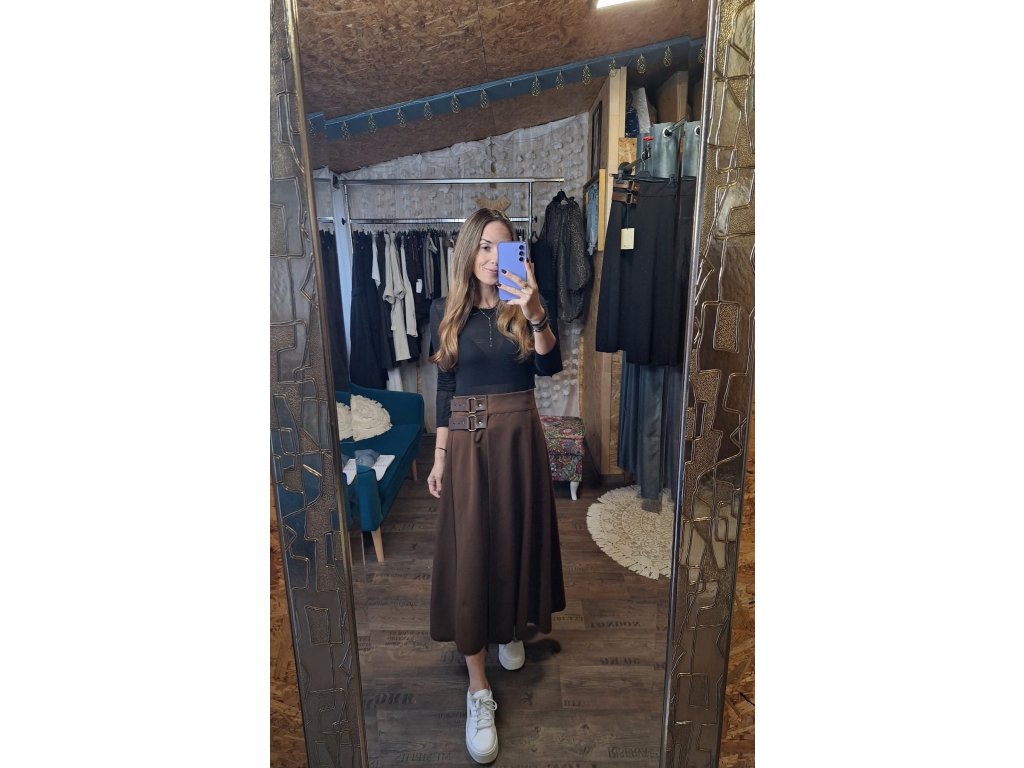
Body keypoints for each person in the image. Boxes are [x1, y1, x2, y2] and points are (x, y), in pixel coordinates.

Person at [427, 208, 566, 764]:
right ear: (468, 252)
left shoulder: (522, 307)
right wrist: (439, 458)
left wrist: (535, 313)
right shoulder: (445, 311)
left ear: (516, 256)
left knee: (512, 541)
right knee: (472, 553)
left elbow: (549, 368)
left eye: (503, 248)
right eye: (483, 246)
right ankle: (478, 689)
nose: (492, 258)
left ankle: (510, 627)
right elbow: (444, 390)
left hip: (519, 441)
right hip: (466, 444)